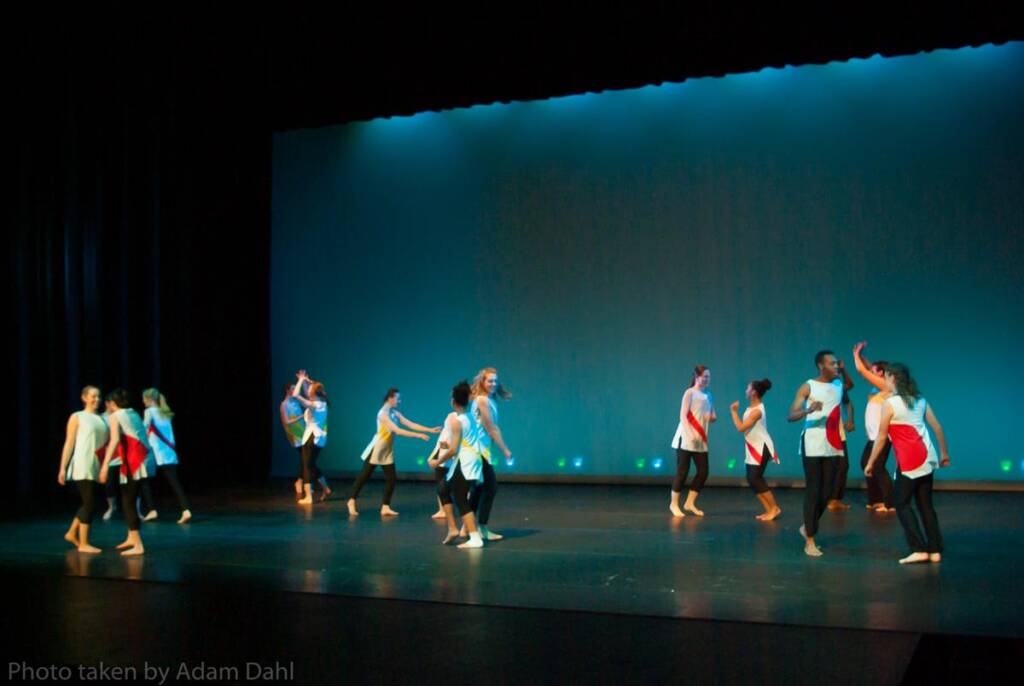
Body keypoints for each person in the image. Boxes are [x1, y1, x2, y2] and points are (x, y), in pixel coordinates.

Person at [864, 363, 950, 564]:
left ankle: (919, 548)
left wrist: (870, 462)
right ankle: (935, 550)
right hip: (928, 458)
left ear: (892, 377)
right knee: (925, 505)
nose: (884, 380)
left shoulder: (891, 403)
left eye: (885, 377)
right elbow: (937, 427)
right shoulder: (920, 399)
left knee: (901, 503)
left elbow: (882, 437)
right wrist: (944, 453)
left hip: (910, 461)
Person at [787, 350, 854, 557]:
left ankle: (808, 525)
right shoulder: (809, 386)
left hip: (833, 443)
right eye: (832, 363)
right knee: (814, 490)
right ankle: (810, 540)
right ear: (821, 366)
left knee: (827, 493)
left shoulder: (837, 385)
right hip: (813, 443)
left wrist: (844, 370)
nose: (836, 366)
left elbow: (849, 387)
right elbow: (791, 415)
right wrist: (808, 410)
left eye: (837, 364)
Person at [347, 387, 439, 516]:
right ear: (390, 398)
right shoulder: (382, 414)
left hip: (387, 449)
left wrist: (429, 430)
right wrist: (418, 436)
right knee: (364, 476)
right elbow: (397, 430)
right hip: (377, 448)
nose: (399, 401)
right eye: (398, 398)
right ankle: (351, 501)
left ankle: (385, 507)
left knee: (391, 478)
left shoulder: (394, 412)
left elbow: (410, 424)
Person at [427, 381, 484, 548]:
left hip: (465, 462)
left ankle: (474, 537)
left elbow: (452, 450)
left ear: (453, 402)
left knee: (460, 497)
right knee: (443, 489)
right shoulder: (471, 417)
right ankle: (452, 529)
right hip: (468, 459)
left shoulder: (457, 421)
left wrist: (436, 461)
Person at [98, 388, 152, 556]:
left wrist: (105, 465)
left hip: (134, 460)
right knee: (128, 497)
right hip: (141, 458)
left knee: (128, 502)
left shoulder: (115, 415)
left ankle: (138, 545)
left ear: (113, 404)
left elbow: (114, 440)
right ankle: (131, 537)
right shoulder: (133, 412)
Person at [58, 386, 109, 552]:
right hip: (83, 463)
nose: (97, 399)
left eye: (99, 396)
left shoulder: (102, 419)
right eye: (93, 396)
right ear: (84, 397)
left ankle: (72, 533)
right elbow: (69, 443)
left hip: (97, 464)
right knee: (90, 503)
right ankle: (84, 543)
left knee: (90, 502)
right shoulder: (77, 417)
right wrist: (62, 468)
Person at [464, 368, 513, 540]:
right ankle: (481, 528)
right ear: (482, 382)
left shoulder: (487, 399)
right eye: (489, 381)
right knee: (491, 488)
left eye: (495, 381)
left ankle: (467, 526)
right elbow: (491, 428)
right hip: (478, 451)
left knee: (479, 489)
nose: (493, 383)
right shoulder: (482, 400)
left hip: (480, 450)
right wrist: (505, 449)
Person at [729, 379, 781, 521]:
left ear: (754, 392)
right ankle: (769, 509)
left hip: (761, 448)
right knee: (751, 479)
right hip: (753, 447)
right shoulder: (752, 409)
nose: (746, 390)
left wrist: (733, 412)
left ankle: (774, 508)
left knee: (755, 478)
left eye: (748, 388)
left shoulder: (757, 411)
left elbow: (741, 428)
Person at [852, 342, 895, 512]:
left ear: (882, 374)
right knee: (865, 464)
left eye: (875, 371)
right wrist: (861, 355)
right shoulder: (878, 386)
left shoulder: (886, 386)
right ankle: (876, 499)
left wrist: (855, 355)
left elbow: (863, 371)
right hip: (873, 437)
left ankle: (890, 503)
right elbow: (867, 368)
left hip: (882, 436)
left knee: (877, 467)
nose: (872, 372)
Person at [669, 365, 716, 517]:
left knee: (703, 472)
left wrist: (712, 417)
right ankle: (674, 504)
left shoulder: (709, 395)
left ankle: (689, 503)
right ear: (697, 377)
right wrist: (690, 434)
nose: (707, 379)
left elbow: (712, 415)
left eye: (709, 377)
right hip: (686, 438)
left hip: (701, 439)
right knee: (682, 471)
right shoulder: (689, 393)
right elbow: (682, 416)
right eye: (705, 376)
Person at [142, 388, 192, 523]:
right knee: (174, 482)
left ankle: (152, 510)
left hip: (156, 452)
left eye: (144, 399)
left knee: (144, 480)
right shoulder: (165, 412)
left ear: (149, 399)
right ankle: (186, 510)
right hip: (169, 452)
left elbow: (143, 428)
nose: (142, 401)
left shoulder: (149, 412)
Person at [290, 371, 331, 505]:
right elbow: (310, 390)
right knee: (311, 464)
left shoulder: (314, 405)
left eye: (310, 389)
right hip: (317, 437)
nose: (308, 391)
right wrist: (307, 381)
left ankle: (308, 496)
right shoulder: (321, 402)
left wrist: (301, 380)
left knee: (306, 465)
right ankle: (325, 488)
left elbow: (296, 394)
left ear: (314, 393)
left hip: (312, 437)